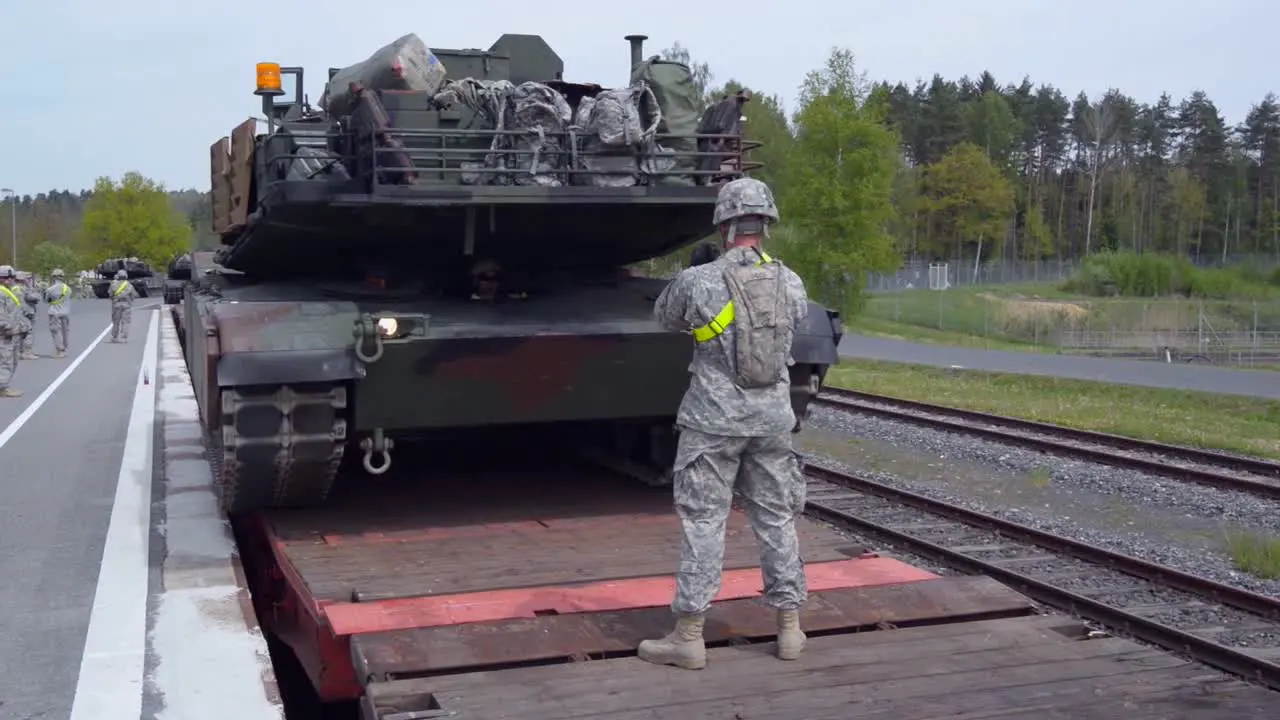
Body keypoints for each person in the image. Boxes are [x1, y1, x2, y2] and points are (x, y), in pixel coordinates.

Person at [641, 177, 811, 670]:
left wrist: (693, 278)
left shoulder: (699, 281)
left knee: (704, 520)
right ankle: (790, 630)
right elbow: (791, 326)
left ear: (723, 224)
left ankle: (689, 636)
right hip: (773, 419)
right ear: (767, 224)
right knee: (778, 518)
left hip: (713, 421)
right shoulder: (791, 281)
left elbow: (665, 318)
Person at [0, 265, 25, 397]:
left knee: (12, 360)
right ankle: (2, 388)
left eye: (11, 277)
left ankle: (4, 385)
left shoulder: (7, 292)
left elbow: (15, 312)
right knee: (5, 360)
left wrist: (22, 327)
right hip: (5, 334)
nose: (10, 280)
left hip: (13, 332)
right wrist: (8, 327)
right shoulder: (1, 293)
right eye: (7, 277)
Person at [44, 268, 72, 358]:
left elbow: (46, 300)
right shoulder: (68, 288)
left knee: (56, 331)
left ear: (53, 277)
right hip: (65, 312)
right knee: (65, 331)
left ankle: (60, 351)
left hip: (54, 312)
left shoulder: (50, 289)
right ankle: (65, 347)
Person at [108, 269, 137, 343]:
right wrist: (129, 302)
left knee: (116, 322)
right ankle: (123, 337)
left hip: (116, 305)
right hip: (126, 305)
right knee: (125, 322)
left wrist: (114, 300)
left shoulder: (113, 284)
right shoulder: (129, 285)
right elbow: (133, 295)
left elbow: (110, 294)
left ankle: (115, 337)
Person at [18, 272, 39, 360]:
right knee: (28, 332)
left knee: (21, 333)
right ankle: (27, 352)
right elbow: (34, 297)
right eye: (27, 278)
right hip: (26, 313)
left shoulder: (16, 288)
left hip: (22, 313)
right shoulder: (22, 288)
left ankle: (20, 351)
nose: (29, 280)